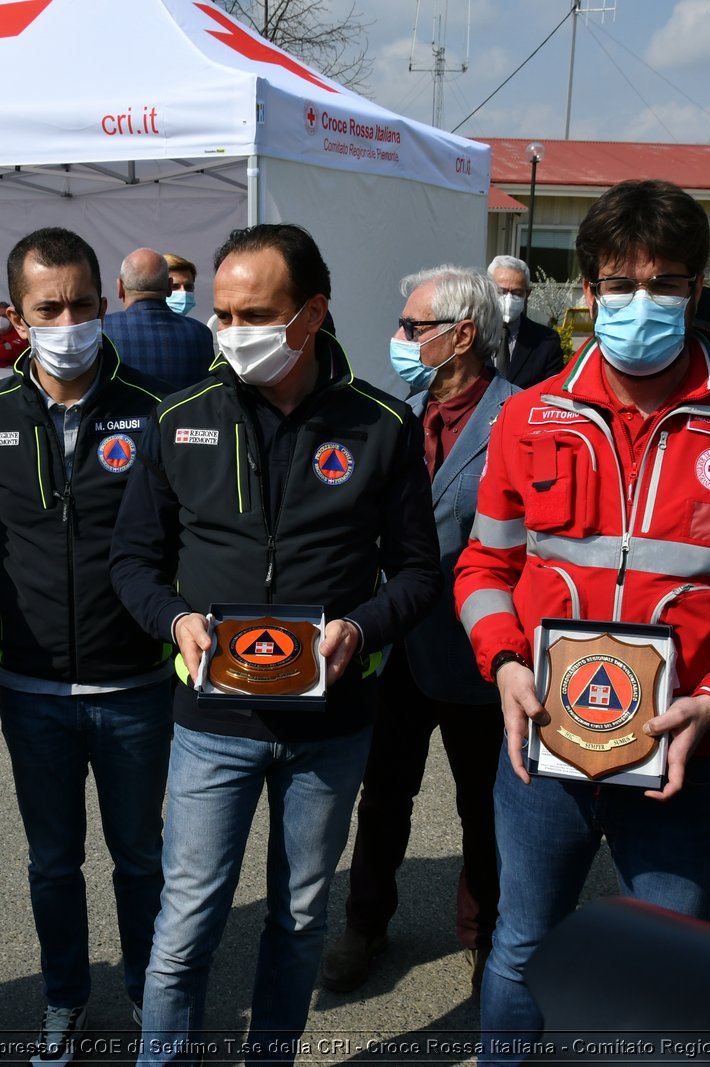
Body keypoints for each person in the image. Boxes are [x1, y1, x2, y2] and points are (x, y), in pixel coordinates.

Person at [454, 179, 710, 1063]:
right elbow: (484, 568)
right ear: (587, 293)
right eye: (619, 285)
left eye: (664, 283)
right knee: (520, 948)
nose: (639, 304)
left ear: (699, 290)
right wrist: (506, 665)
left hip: (687, 760)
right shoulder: (527, 415)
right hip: (545, 747)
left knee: (662, 973)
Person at [110, 223, 441, 1066]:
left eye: (254, 312)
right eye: (221, 313)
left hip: (330, 728)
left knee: (298, 918)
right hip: (212, 721)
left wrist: (359, 628)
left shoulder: (381, 424)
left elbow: (414, 573)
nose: (231, 332)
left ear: (312, 313)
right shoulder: (179, 418)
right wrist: (175, 620)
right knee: (186, 921)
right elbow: (133, 561)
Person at [0, 228, 171, 1066]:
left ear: (105, 303)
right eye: (50, 306)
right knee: (53, 863)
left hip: (135, 687)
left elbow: (183, 542)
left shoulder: (154, 410)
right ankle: (64, 998)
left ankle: (153, 994)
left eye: (84, 303)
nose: (70, 319)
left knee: (141, 858)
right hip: (32, 685)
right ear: (17, 316)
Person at [320, 266, 515, 997]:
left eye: (412, 327)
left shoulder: (522, 417)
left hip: (477, 651)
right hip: (393, 643)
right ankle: (365, 923)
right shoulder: (398, 413)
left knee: (483, 808)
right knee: (384, 796)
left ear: (462, 335)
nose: (398, 339)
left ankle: (487, 936)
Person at [103, 247, 216, 390]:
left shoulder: (102, 329)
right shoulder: (201, 334)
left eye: (188, 287)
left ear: (120, 288)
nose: (183, 293)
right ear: (169, 287)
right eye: (176, 286)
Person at [488, 254, 565, 388]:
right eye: (501, 291)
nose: (508, 299)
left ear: (527, 294)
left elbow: (552, 391)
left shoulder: (546, 342)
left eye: (517, 293)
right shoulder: (471, 335)